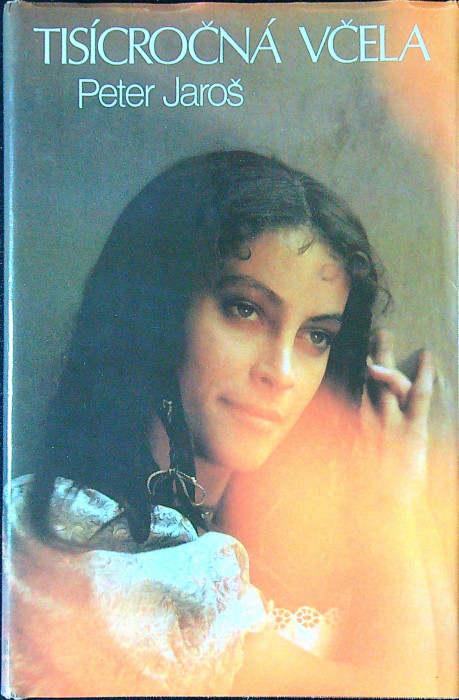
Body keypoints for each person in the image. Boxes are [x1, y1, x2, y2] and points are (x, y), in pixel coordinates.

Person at [6, 151, 456, 697]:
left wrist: (402, 490)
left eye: (316, 336)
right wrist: (393, 501)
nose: (281, 372)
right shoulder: (81, 541)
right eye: (245, 309)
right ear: (156, 309)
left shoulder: (236, 550)